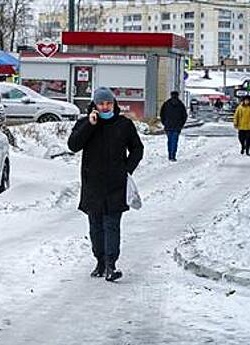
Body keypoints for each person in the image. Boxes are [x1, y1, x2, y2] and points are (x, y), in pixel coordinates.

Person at [67, 87, 144, 282]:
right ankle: (100, 261)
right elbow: (73, 145)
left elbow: (137, 148)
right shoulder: (85, 123)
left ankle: (111, 264)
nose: (105, 107)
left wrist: (127, 169)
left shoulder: (123, 124)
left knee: (112, 225)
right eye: (101, 104)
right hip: (92, 184)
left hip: (115, 184)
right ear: (94, 105)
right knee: (95, 226)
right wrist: (90, 125)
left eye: (108, 103)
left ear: (114, 104)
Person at [159, 91, 188, 161]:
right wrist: (181, 124)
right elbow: (184, 116)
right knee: (174, 141)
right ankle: (173, 156)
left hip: (168, 125)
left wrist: (164, 123)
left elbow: (162, 114)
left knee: (169, 141)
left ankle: (170, 155)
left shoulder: (166, 104)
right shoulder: (181, 104)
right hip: (177, 126)